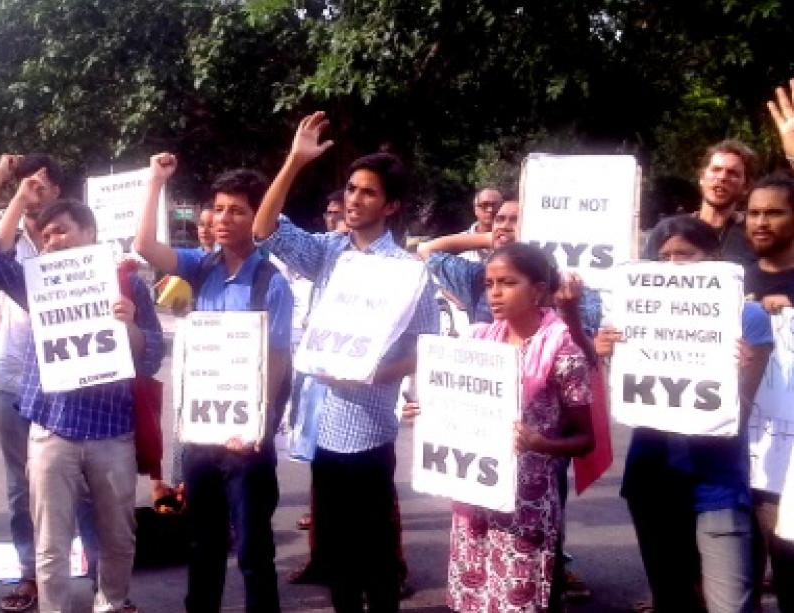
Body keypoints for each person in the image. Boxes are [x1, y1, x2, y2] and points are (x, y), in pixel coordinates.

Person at [252, 112, 439, 612]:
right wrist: (295, 160)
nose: (354, 200)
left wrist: (376, 372)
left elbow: (426, 345)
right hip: (321, 428)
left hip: (369, 430)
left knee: (374, 558)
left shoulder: (407, 272)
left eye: (369, 193)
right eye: (351, 189)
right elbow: (264, 229)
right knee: (336, 560)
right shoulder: (328, 252)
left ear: (392, 206)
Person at [0, 197, 163, 613]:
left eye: (61, 230)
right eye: (45, 236)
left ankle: (112, 603)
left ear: (90, 233)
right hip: (52, 429)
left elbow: (150, 354)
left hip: (112, 430)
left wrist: (130, 323)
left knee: (118, 535)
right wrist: (17, 196)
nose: (52, 242)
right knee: (51, 541)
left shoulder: (128, 285)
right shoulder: (37, 283)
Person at [136, 153, 292, 613]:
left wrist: (255, 428)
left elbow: (277, 361)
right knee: (203, 545)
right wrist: (155, 182)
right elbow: (145, 244)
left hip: (247, 443)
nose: (224, 219)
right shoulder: (199, 266)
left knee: (252, 550)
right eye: (219, 209)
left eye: (237, 210)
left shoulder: (271, 282)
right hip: (201, 439)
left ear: (256, 217)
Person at [407, 242, 595, 612]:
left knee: (517, 603)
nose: (494, 293)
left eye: (507, 282)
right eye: (490, 283)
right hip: (472, 501)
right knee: (472, 601)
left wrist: (542, 443)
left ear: (538, 289)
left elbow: (586, 438)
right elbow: (456, 407)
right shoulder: (476, 343)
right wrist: (426, 412)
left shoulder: (563, 350)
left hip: (526, 511)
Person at [598, 215, 769, 613]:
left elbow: (742, 416)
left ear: (714, 258)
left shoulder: (749, 319)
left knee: (731, 605)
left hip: (718, 482)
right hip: (652, 480)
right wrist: (604, 354)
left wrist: (740, 372)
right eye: (665, 257)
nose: (674, 265)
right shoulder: (632, 315)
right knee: (672, 600)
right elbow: (623, 398)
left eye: (686, 255)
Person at [0, 153, 95, 612]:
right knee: (21, 487)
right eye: (27, 184)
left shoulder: (73, 241)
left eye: (41, 184)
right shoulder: (14, 238)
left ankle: (99, 576)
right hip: (13, 378)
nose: (34, 190)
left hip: (67, 379)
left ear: (58, 191)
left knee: (81, 482)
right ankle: (29, 574)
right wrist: (6, 182)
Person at [417, 200, 603, 340]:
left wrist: (568, 310)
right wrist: (494, 237)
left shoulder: (575, 291)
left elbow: (585, 353)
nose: (504, 225)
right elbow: (426, 250)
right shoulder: (478, 277)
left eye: (515, 220)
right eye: (499, 219)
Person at [741, 174, 794, 611]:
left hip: (789, 471)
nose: (761, 222)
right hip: (738, 463)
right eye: (754, 212)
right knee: (737, 593)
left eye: (774, 212)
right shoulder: (731, 282)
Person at [690, 140, 758, 266]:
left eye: (732, 173)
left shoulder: (757, 234)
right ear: (701, 178)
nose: (722, 177)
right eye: (716, 169)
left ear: (746, 186)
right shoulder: (669, 230)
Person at [459, 187, 504, 263]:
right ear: (475, 209)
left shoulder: (511, 241)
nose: (490, 210)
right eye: (484, 205)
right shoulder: (458, 242)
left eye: (495, 205)